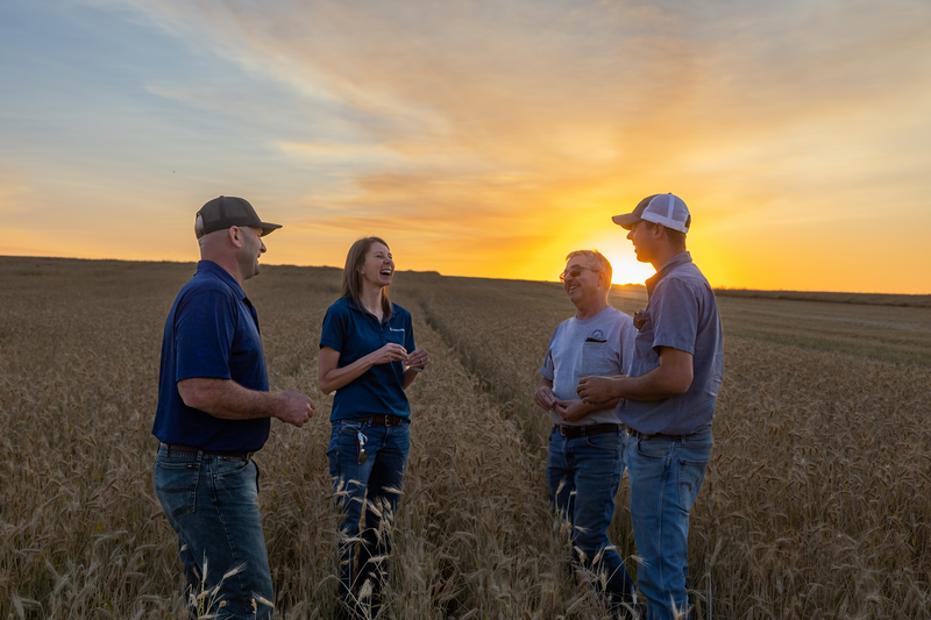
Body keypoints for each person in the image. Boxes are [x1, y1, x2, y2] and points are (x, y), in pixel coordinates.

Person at [152, 196, 315, 619]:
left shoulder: (217, 292)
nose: (264, 248)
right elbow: (199, 390)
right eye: (260, 237)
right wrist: (277, 403)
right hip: (208, 473)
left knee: (212, 604)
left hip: (205, 471)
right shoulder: (210, 294)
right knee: (245, 606)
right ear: (237, 235)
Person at [577, 193, 724, 620]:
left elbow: (677, 377)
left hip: (665, 450)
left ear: (658, 229)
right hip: (673, 447)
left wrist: (613, 388)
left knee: (660, 578)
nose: (629, 236)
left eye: (635, 227)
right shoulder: (683, 280)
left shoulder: (676, 286)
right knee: (663, 568)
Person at [318, 236, 429, 618]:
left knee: (382, 521)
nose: (389, 261)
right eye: (379, 256)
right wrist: (374, 356)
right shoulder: (340, 314)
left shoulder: (401, 318)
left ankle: (371, 605)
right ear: (360, 266)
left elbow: (397, 381)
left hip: (395, 430)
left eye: (391, 256)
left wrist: (413, 366)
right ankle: (344, 605)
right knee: (348, 521)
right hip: (355, 431)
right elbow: (327, 380)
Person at [534, 250, 638, 615]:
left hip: (601, 443)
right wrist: (545, 392)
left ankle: (625, 609)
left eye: (576, 272)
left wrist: (588, 406)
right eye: (565, 273)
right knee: (565, 533)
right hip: (560, 442)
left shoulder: (622, 327)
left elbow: (635, 383)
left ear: (603, 278)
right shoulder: (563, 329)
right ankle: (585, 603)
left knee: (589, 535)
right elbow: (546, 375)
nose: (568, 279)